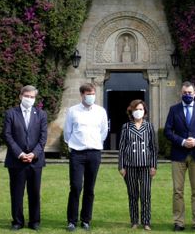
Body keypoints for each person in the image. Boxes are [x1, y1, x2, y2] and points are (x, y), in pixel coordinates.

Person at [164, 81, 195, 232]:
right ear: (181, 93)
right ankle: (179, 222)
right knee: (178, 190)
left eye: (190, 93)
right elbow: (168, 130)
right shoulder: (174, 110)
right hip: (178, 154)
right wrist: (183, 141)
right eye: (185, 93)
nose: (187, 95)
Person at [63, 82, 108, 232]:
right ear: (82, 95)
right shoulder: (73, 111)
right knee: (75, 187)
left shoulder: (101, 111)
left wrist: (94, 143)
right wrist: (74, 145)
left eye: (93, 94)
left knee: (90, 188)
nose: (91, 96)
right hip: (77, 153)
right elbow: (67, 132)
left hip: (94, 153)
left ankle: (86, 220)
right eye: (88, 94)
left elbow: (103, 131)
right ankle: (72, 221)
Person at [3, 85, 48, 231]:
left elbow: (43, 138)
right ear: (20, 96)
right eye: (27, 96)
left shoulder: (41, 114)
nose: (29, 99)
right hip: (16, 160)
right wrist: (20, 154)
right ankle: (17, 221)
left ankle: (35, 221)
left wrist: (34, 154)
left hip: (36, 160)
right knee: (17, 192)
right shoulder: (11, 113)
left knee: (34, 192)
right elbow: (8, 135)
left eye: (32, 97)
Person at [117, 99, 157, 230]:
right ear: (131, 111)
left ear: (144, 111)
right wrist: (121, 166)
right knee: (133, 194)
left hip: (146, 165)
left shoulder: (149, 126)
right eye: (136, 109)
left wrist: (153, 166)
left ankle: (146, 222)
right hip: (130, 165)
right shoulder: (126, 127)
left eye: (141, 109)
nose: (138, 111)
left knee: (145, 194)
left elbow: (153, 147)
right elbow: (122, 147)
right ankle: (134, 221)